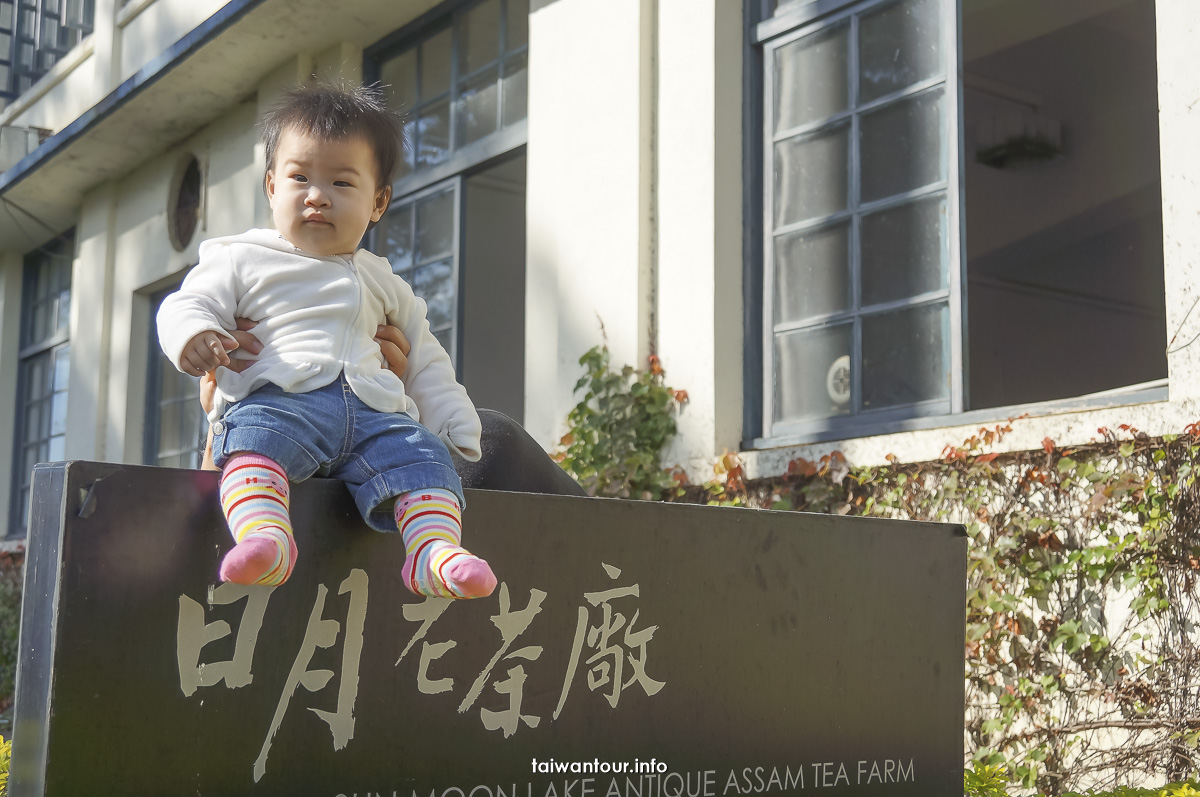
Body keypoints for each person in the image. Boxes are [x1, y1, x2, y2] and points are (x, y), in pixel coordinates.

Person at [157, 83, 496, 600]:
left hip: (375, 414)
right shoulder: (241, 259)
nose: (317, 195)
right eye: (299, 178)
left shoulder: (384, 280)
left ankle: (434, 552)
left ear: (378, 202)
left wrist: (452, 423)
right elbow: (186, 303)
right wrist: (195, 335)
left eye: (341, 181)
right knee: (251, 445)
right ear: (271, 187)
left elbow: (426, 359)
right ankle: (265, 537)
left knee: (423, 458)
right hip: (282, 401)